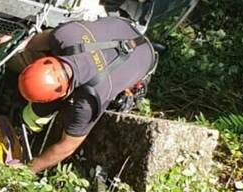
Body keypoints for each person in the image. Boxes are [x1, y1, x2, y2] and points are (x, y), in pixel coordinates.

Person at [10, 16, 157, 173]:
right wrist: (16, 44)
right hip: (121, 27)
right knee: (30, 116)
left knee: (35, 115)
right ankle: (29, 120)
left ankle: (30, 121)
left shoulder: (90, 102)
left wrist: (27, 169)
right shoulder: (65, 35)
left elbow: (68, 146)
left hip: (145, 59)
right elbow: (41, 39)